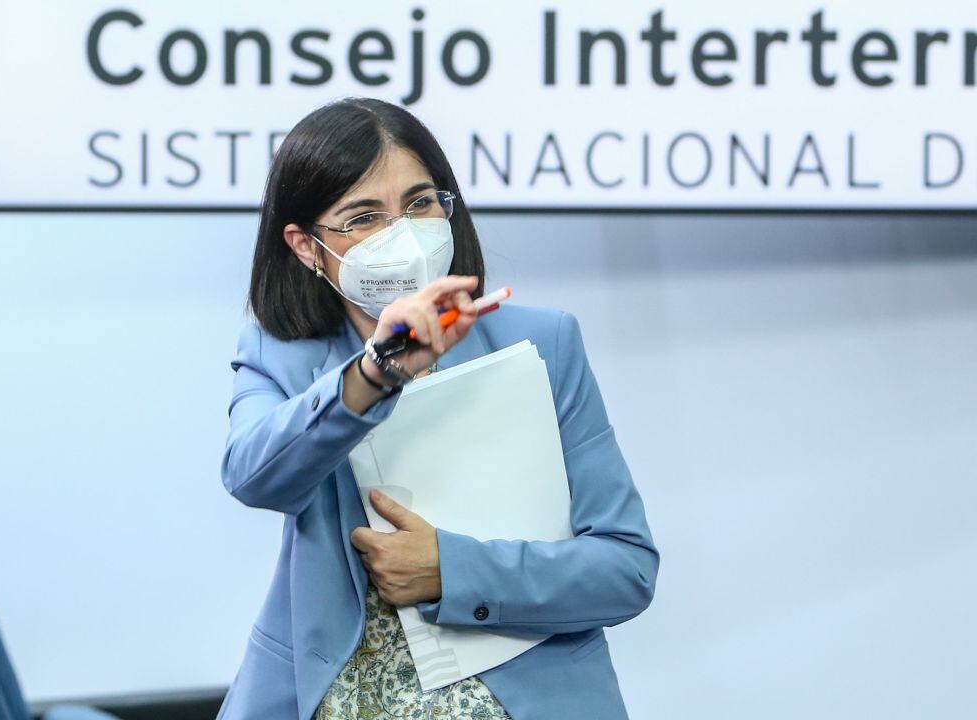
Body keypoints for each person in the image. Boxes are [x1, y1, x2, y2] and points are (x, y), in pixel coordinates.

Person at [215, 97, 659, 720]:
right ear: (307, 246)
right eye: (364, 216)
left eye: (420, 204)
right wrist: (374, 373)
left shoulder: (542, 342)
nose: (402, 234)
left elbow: (625, 569)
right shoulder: (281, 353)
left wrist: (451, 570)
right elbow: (254, 475)